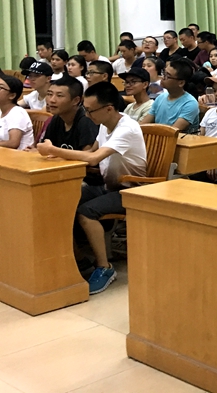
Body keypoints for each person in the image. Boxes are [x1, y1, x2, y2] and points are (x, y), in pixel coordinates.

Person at [38, 82, 147, 294]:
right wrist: (57, 153)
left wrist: (54, 150)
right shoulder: (105, 124)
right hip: (109, 185)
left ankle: (104, 267)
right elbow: (90, 152)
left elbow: (93, 158)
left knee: (85, 213)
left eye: (90, 111)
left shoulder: (126, 128)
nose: (87, 115)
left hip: (132, 190)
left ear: (109, 108)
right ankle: (76, 260)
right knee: (60, 201)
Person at [37, 75, 98, 152]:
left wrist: (55, 152)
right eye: (49, 94)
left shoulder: (86, 120)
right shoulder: (56, 119)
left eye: (59, 96)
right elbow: (45, 148)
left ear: (76, 100)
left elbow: (87, 155)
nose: (52, 100)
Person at [140, 59, 200, 133]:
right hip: (159, 137)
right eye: (163, 73)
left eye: (167, 76)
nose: (162, 78)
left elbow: (172, 132)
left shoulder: (190, 103)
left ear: (181, 83)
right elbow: (143, 124)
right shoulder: (161, 97)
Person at [0, 74, 34, 150]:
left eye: (0, 88)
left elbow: (13, 143)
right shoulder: (1, 111)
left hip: (19, 155)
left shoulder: (17, 113)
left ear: (12, 95)